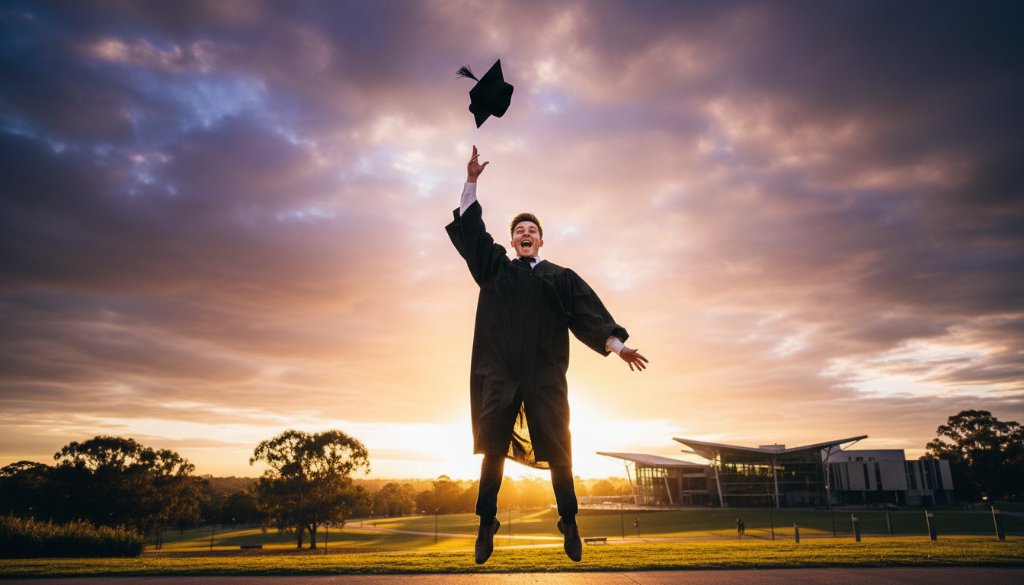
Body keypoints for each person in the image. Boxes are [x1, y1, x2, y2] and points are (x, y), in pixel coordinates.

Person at [446, 145, 649, 564]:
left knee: (559, 450)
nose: (525, 233)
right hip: (499, 373)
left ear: (540, 239)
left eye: (531, 229)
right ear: (512, 239)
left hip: (544, 376)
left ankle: (569, 522)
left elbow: (589, 316)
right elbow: (471, 232)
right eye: (519, 228)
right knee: (492, 450)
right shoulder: (494, 269)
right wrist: (472, 181)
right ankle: (486, 524)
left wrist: (618, 346)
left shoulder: (560, 278)